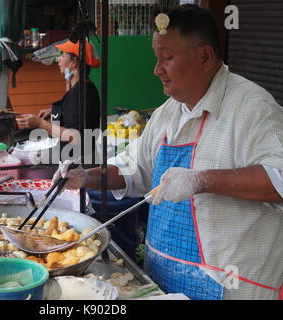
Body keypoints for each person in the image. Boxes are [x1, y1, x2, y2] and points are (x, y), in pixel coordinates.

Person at [53, 4, 283, 300]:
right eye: (156, 58)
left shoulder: (252, 109)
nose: (156, 69)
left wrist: (201, 181)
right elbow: (134, 169)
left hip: (232, 290)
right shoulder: (167, 114)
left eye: (167, 58)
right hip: (164, 283)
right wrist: (86, 176)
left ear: (205, 56)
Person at [15, 40, 101, 160]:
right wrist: (56, 110)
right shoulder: (84, 87)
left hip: (78, 164)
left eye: (62, 55)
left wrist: (39, 123)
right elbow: (77, 112)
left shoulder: (81, 92)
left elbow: (74, 135)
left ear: (74, 63)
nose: (58, 60)